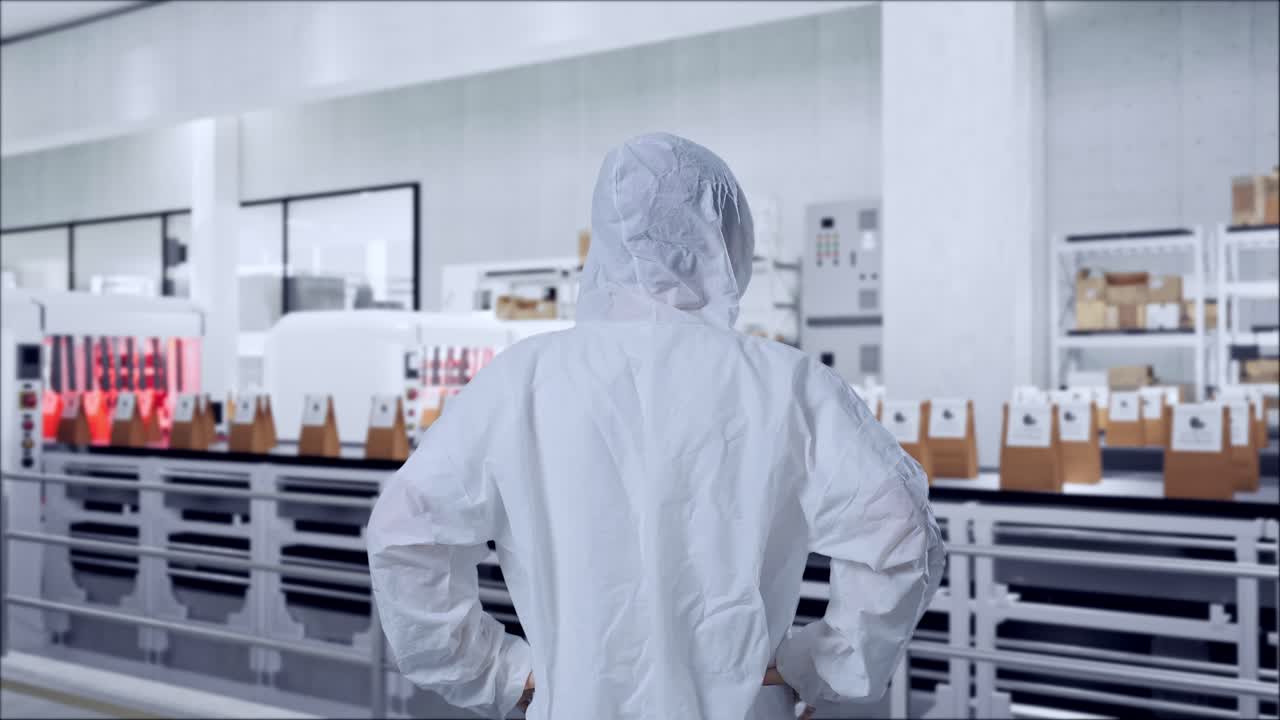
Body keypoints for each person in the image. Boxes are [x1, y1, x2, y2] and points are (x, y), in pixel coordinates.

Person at [367, 132, 945, 719]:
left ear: (606, 240)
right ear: (726, 240)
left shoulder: (518, 382)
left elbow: (404, 532)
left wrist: (499, 673)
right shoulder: (789, 384)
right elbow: (900, 534)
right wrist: (816, 665)